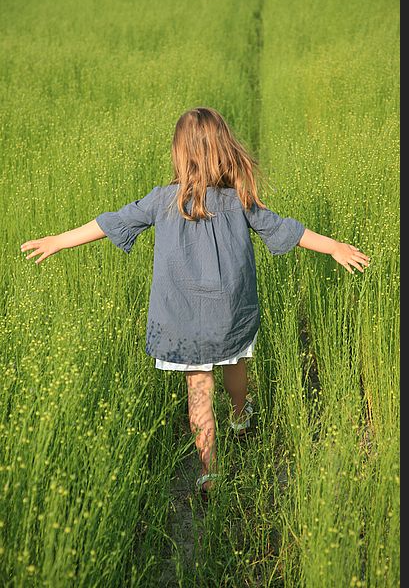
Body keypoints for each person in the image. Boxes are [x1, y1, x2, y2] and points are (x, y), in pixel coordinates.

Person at [20, 106, 370, 500]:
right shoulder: (240, 199)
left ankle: (209, 472)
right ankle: (240, 416)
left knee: (198, 391)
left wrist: (56, 241)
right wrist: (334, 247)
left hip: (182, 321)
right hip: (229, 315)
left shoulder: (162, 200)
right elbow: (286, 229)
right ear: (223, 149)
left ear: (179, 153)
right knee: (235, 363)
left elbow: (110, 223)